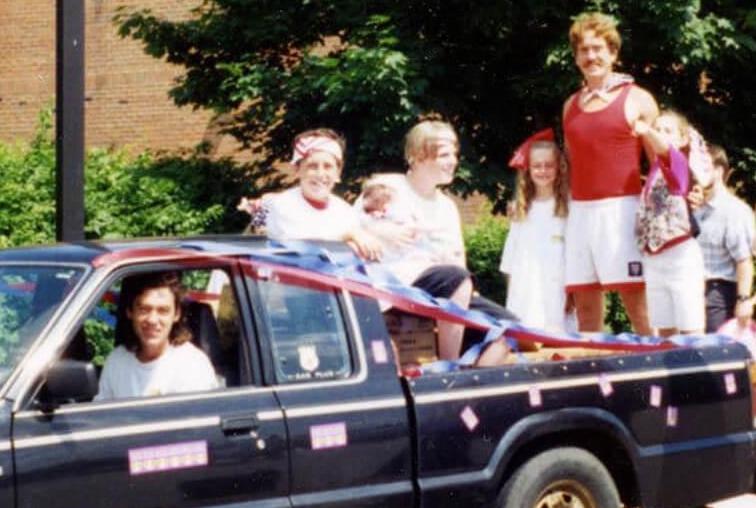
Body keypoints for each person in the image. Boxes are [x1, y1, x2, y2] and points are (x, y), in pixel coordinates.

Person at [358, 120, 512, 364]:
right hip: (393, 286)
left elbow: (456, 259)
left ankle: (470, 384)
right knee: (456, 278)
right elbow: (352, 229)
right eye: (444, 155)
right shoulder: (387, 188)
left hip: (441, 289)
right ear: (417, 157)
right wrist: (377, 230)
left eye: (454, 154)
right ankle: (448, 367)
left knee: (508, 326)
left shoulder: (447, 207)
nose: (453, 161)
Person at [562, 12, 657, 335]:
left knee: (639, 306)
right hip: (580, 213)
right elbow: (571, 165)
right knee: (586, 311)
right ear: (576, 58)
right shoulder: (570, 105)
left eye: (598, 48)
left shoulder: (638, 98)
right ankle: (593, 378)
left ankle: (655, 373)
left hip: (622, 210)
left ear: (613, 53)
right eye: (584, 50)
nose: (591, 56)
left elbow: (660, 164)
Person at [631, 110, 709, 335]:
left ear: (683, 138)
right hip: (655, 257)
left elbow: (664, 149)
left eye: (668, 130)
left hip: (679, 255)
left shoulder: (677, 161)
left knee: (690, 328)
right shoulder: (654, 170)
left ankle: (694, 370)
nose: (661, 134)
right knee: (664, 330)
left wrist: (646, 130)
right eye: (658, 129)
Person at [250, 128, 381, 260]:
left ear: (338, 172)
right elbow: (306, 248)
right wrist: (348, 238)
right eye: (312, 166)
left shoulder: (346, 212)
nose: (320, 174)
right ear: (297, 169)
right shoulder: (279, 204)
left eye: (328, 166)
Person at [96, 271, 218, 400]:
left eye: (163, 311)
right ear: (129, 312)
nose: (152, 320)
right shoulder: (116, 360)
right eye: (144, 309)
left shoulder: (192, 366)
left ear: (176, 314)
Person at [499, 130, 570, 332]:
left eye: (549, 165)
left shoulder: (568, 207)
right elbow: (511, 261)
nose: (543, 171)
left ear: (559, 168)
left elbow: (576, 256)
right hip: (525, 294)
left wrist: (572, 295)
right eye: (537, 166)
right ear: (528, 170)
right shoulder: (522, 210)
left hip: (558, 293)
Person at [693, 145, 756, 332]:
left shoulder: (734, 211)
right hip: (689, 290)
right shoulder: (692, 207)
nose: (694, 174)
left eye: (702, 168)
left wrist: (743, 300)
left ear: (719, 171)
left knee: (713, 356)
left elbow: (744, 260)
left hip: (718, 296)